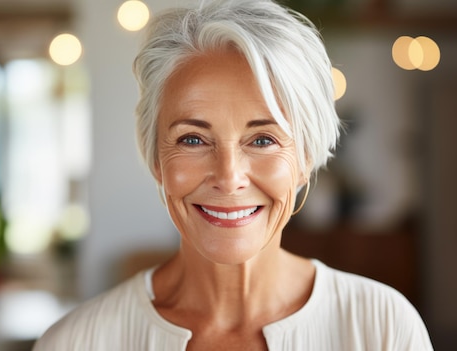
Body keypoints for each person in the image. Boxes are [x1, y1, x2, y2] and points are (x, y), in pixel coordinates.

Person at [33, 0, 433, 349]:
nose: (229, 177)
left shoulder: (382, 328)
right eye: (192, 140)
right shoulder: (76, 342)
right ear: (155, 157)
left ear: (306, 157)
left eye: (262, 140)